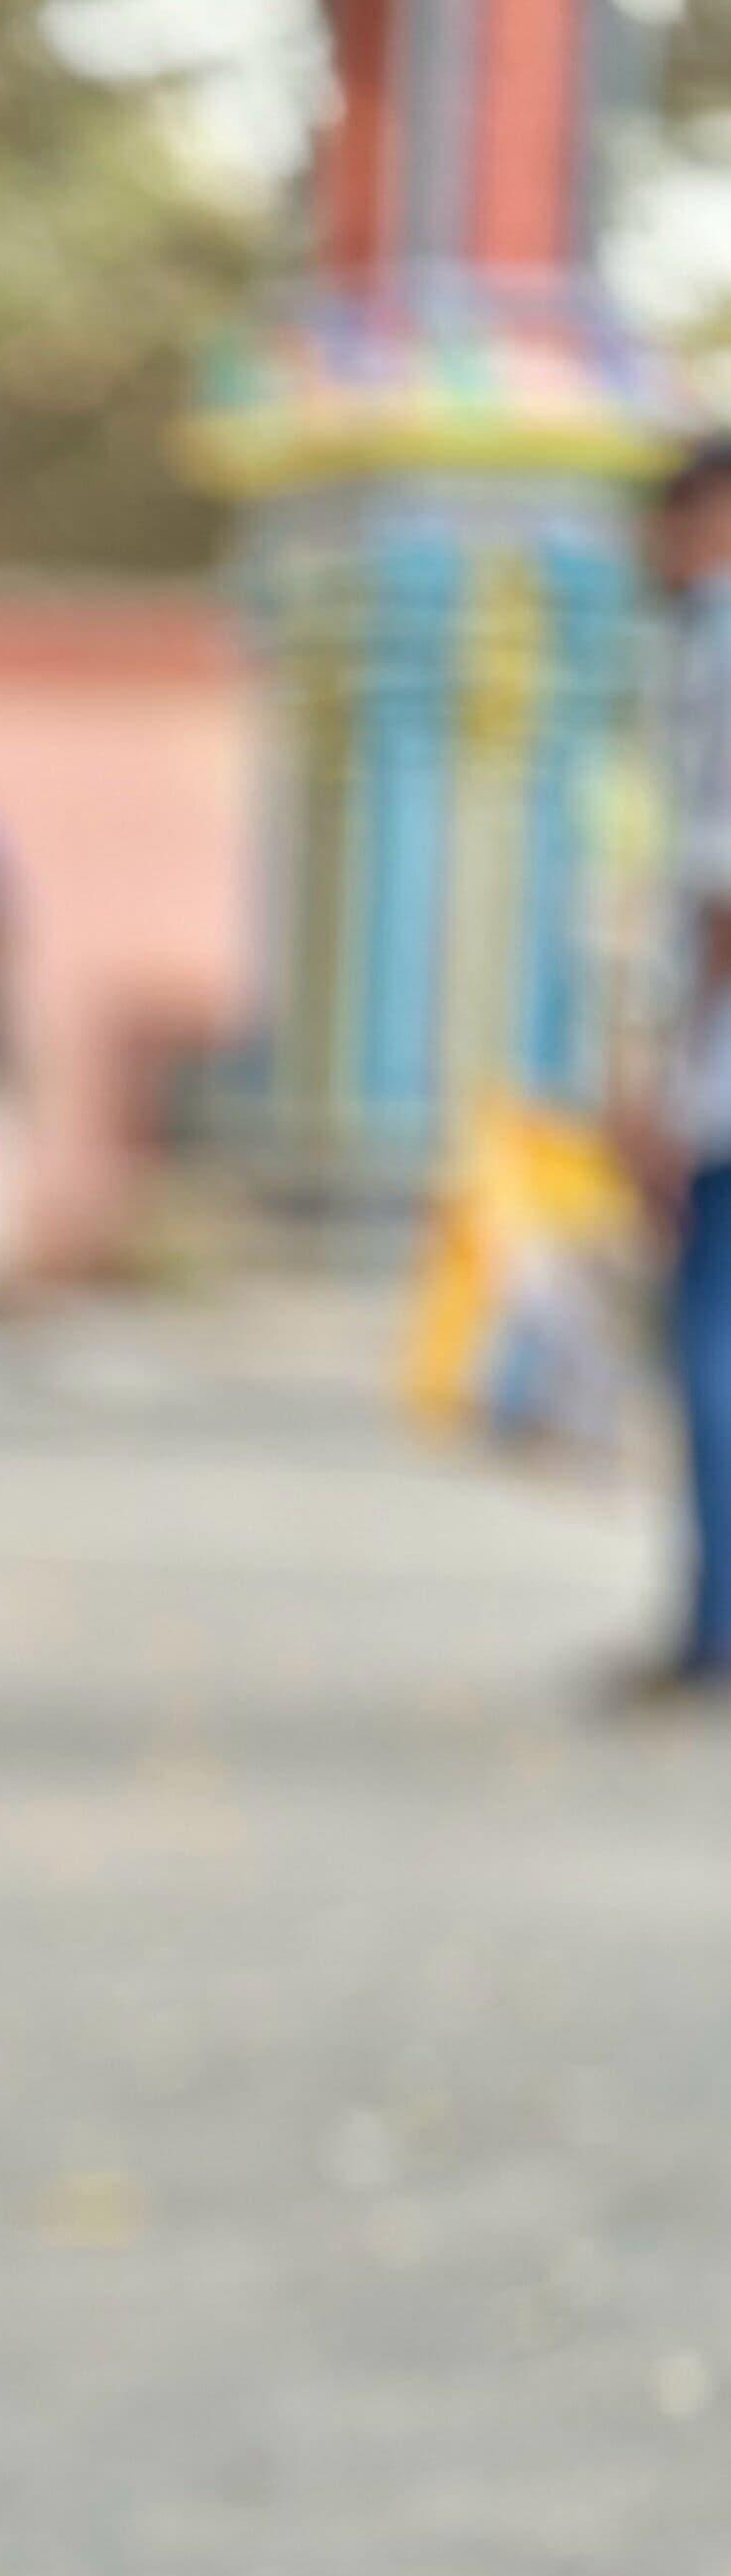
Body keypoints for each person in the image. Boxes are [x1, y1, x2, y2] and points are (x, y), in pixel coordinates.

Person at [619, 435, 731, 1700]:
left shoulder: (708, 649)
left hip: (722, 1078)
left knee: (707, 1342)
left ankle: (713, 1621)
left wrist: (664, 1081)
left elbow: (714, 888)